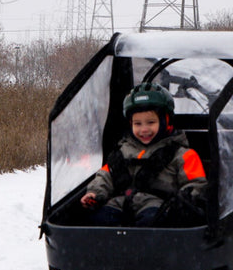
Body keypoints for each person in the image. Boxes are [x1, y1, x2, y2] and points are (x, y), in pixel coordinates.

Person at [80, 82, 207, 226]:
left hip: (158, 205)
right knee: (99, 220)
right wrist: (95, 193)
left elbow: (196, 184)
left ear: (166, 121)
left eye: (150, 122)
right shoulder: (123, 151)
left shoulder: (182, 154)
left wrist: (182, 202)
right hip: (120, 201)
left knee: (152, 222)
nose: (144, 129)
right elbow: (106, 176)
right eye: (137, 124)